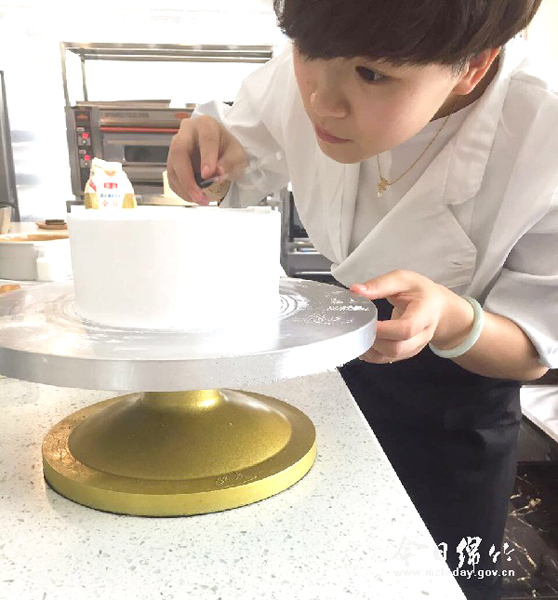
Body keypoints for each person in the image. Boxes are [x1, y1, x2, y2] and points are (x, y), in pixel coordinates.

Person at [166, 1, 557, 597]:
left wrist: (451, 319)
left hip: (455, 405)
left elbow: (533, 349)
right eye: (307, 53)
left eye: (372, 75)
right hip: (333, 371)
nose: (321, 103)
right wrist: (207, 161)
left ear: (474, 66)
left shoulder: (542, 137)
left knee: (437, 579)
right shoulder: (314, 71)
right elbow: (240, 157)